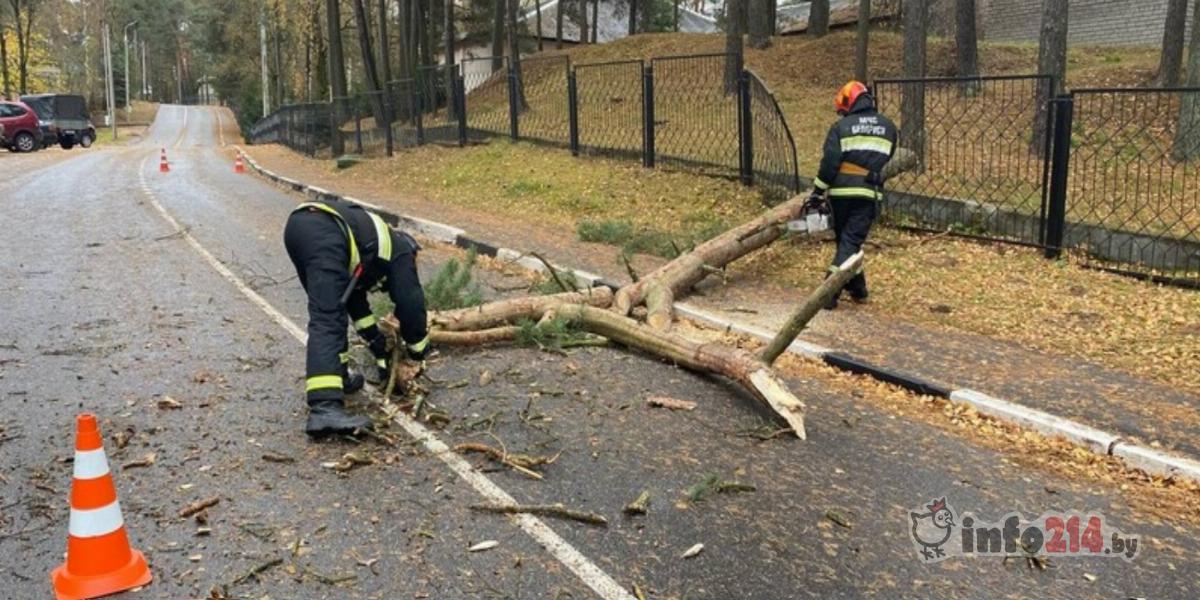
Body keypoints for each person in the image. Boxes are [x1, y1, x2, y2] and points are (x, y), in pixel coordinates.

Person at [283, 198, 431, 436]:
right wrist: (418, 351)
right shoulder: (402, 251)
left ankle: (337, 378)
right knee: (328, 317)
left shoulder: (368, 249)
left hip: (300, 229)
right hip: (324, 231)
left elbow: (355, 303)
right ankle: (324, 408)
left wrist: (377, 343)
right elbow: (411, 302)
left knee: (334, 308)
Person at [807, 80, 897, 310]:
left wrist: (817, 192)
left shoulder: (841, 127)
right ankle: (858, 288)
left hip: (840, 194)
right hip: (869, 194)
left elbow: (829, 163)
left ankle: (828, 291)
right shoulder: (889, 127)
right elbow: (888, 159)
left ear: (849, 102)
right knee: (850, 241)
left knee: (846, 241)